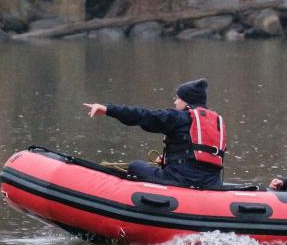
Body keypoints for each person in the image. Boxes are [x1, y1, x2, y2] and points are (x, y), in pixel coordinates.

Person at [83, 78, 225, 189]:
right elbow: (200, 154)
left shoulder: (178, 117)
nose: (175, 102)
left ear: (186, 101)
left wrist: (108, 109)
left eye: (177, 98)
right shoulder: (217, 122)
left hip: (182, 181)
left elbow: (144, 115)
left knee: (135, 167)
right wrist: (169, 159)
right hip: (212, 183)